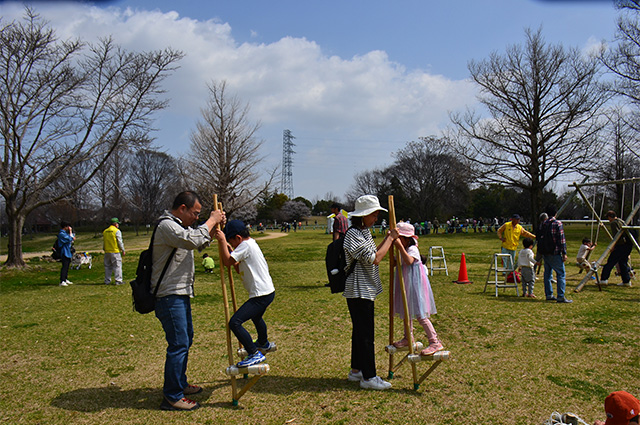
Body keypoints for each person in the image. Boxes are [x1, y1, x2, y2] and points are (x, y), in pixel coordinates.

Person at [153, 191, 225, 411]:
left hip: (180, 293)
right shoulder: (167, 225)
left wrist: (214, 228)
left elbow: (199, 242)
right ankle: (172, 396)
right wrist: (211, 220)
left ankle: (180, 384)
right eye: (195, 213)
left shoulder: (180, 226)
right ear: (182, 208)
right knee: (179, 343)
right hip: (168, 295)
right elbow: (191, 240)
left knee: (185, 340)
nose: (196, 218)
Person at [343, 195, 399, 390]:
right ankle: (369, 377)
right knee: (366, 334)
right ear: (363, 215)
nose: (376, 218)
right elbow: (374, 258)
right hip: (358, 290)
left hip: (364, 288)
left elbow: (374, 251)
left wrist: (387, 239)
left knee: (360, 332)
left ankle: (356, 370)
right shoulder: (353, 235)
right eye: (373, 214)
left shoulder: (363, 232)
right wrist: (390, 239)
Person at [215, 219, 276, 368]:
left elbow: (227, 262)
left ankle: (254, 353)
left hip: (260, 294)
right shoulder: (250, 244)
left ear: (238, 238)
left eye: (232, 242)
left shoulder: (245, 246)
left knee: (235, 323)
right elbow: (236, 266)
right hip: (266, 292)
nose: (234, 246)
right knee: (256, 317)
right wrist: (229, 247)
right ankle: (263, 342)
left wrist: (222, 241)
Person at [391, 222, 443, 356]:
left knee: (420, 315)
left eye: (400, 238)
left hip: (415, 286)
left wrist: (399, 248)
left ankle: (434, 341)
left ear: (407, 239)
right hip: (406, 286)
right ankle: (408, 337)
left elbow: (408, 261)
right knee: (406, 312)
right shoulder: (401, 249)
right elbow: (395, 263)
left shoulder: (412, 249)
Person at [539, 205, 573, 303]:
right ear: (555, 213)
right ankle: (561, 296)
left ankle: (549, 294)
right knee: (561, 274)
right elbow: (561, 240)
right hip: (555, 252)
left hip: (545, 252)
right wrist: (564, 253)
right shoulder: (557, 223)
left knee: (547, 274)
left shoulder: (543, 223)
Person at [600, 211, 633, 287]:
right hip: (628, 245)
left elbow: (617, 235)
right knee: (623, 263)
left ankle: (604, 279)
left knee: (610, 262)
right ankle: (626, 281)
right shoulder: (621, 221)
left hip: (621, 245)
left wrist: (614, 246)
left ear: (609, 217)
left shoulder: (614, 223)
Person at [103, 217, 125, 285]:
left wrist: (104, 248)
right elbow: (119, 241)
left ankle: (107, 280)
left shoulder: (105, 231)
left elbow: (104, 241)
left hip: (107, 251)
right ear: (115, 224)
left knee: (107, 267)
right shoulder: (116, 231)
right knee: (117, 266)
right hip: (115, 251)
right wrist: (123, 249)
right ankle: (118, 280)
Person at [57, 221, 75, 287]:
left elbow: (72, 238)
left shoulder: (65, 233)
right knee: (64, 266)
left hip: (68, 251)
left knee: (67, 265)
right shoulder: (62, 234)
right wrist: (70, 232)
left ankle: (65, 278)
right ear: (65, 227)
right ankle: (62, 280)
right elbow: (69, 239)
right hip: (64, 251)